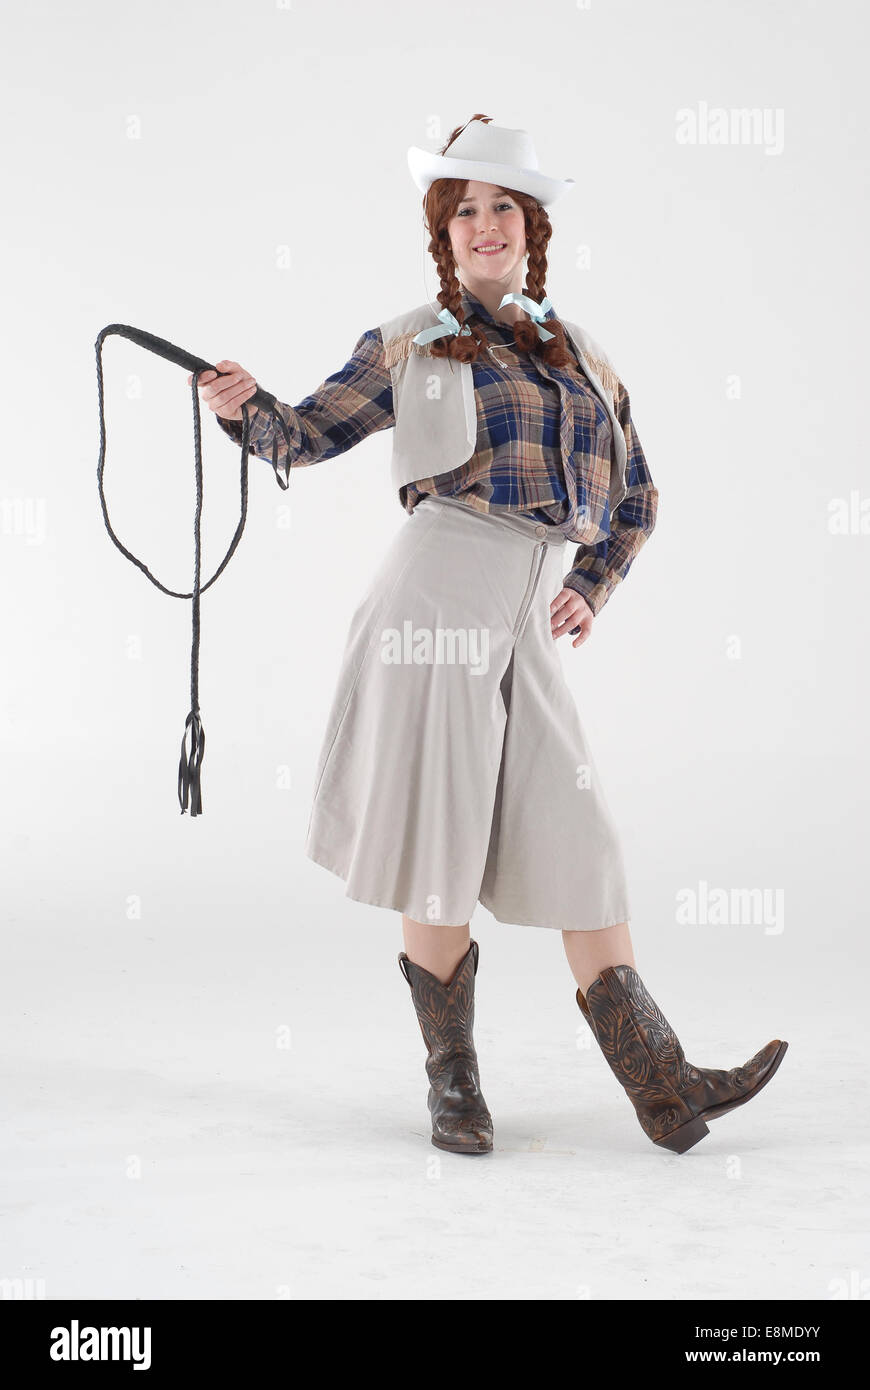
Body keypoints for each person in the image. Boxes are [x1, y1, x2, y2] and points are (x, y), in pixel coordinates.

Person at [189, 115, 787, 1158]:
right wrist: (243, 411)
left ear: (533, 225)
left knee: (581, 836)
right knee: (439, 840)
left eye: (502, 205)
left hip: (524, 616)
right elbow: (305, 432)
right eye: (462, 209)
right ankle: (453, 1085)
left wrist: (592, 585)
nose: (483, 224)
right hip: (432, 600)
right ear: (444, 232)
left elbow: (638, 496)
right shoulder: (411, 338)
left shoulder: (583, 355)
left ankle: (664, 1082)